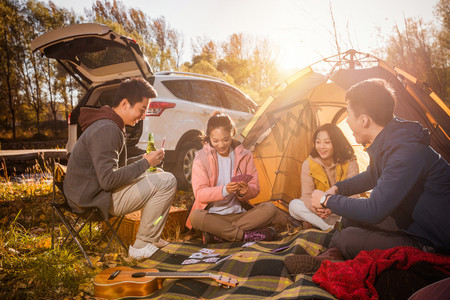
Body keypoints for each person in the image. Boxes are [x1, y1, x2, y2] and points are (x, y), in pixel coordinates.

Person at [309, 78, 450, 259]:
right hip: (412, 219)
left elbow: (374, 210)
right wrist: (337, 189)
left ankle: (334, 253)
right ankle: (331, 254)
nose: (347, 122)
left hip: (433, 238)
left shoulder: (406, 151)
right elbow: (372, 175)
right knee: (349, 218)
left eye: (348, 115)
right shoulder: (390, 138)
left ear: (364, 120)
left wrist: (326, 199)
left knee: (348, 238)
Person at [64, 77, 177, 260]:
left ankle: (151, 239)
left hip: (91, 192)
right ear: (125, 104)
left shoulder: (109, 124)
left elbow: (113, 167)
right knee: (167, 181)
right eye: (141, 110)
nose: (143, 116)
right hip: (90, 200)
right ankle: (142, 245)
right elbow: (108, 180)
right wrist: (145, 163)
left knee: (160, 174)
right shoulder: (107, 129)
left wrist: (142, 159)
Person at [187, 112, 278, 243]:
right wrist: (224, 190)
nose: (221, 145)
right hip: (213, 217)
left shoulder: (245, 155)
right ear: (209, 138)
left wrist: (244, 192)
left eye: (226, 139)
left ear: (232, 134)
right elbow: (200, 194)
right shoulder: (201, 157)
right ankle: (245, 236)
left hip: (240, 215)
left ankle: (220, 235)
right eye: (215, 141)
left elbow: (255, 188)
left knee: (270, 208)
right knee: (195, 217)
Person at [289, 123, 359, 230]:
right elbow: (306, 195)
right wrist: (317, 210)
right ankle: (331, 227)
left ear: (336, 143)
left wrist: (334, 208)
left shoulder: (350, 162)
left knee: (362, 203)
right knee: (294, 206)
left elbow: (354, 195)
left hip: (342, 209)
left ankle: (320, 224)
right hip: (319, 211)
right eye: (318, 142)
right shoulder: (308, 164)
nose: (321, 147)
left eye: (327, 142)